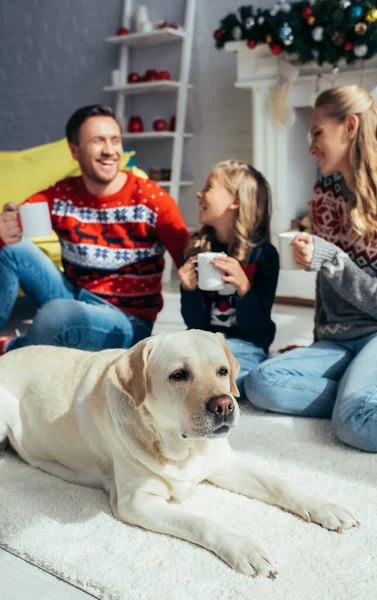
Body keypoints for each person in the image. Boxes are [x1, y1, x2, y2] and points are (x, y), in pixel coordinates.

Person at [245, 85, 377, 453]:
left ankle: (362, 402)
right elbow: (327, 290)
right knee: (261, 382)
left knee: (355, 425)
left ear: (349, 127)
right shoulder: (324, 193)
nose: (310, 146)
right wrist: (317, 342)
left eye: (317, 133)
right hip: (338, 340)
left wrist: (331, 259)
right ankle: (363, 393)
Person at [0, 104, 189, 354]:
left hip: (125, 321)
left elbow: (188, 259)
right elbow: (15, 223)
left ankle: (12, 350)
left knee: (57, 315)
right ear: (74, 150)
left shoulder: (152, 199)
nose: (109, 151)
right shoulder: (62, 194)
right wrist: (6, 228)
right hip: (75, 296)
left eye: (115, 140)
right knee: (13, 250)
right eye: (98, 141)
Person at [178, 159, 279, 396]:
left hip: (245, 348)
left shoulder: (264, 255)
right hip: (204, 345)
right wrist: (189, 290)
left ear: (235, 200)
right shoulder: (198, 248)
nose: (199, 194)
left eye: (208, 187)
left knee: (242, 381)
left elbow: (260, 333)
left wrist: (244, 289)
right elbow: (195, 326)